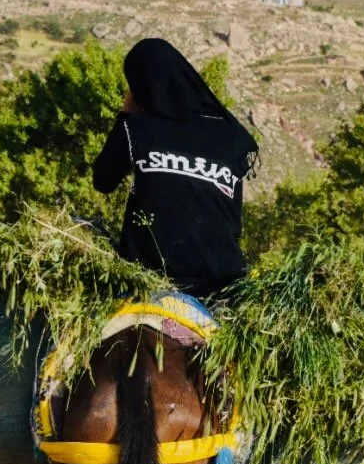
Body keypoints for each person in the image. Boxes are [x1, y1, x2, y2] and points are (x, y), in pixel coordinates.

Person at [91, 38, 259, 300]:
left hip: (148, 279)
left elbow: (103, 181)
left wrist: (126, 113)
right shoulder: (230, 134)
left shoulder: (135, 127)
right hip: (225, 282)